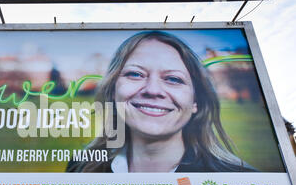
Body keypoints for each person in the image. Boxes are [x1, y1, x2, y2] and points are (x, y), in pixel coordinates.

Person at [67, 31, 256, 172]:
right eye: (135, 74)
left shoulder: (241, 181)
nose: (153, 90)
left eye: (173, 79)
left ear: (195, 101)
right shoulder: (81, 168)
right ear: (113, 91)